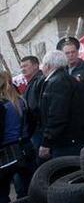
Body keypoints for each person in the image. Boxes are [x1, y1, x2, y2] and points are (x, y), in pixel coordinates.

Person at [38, 50, 84, 160]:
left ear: (48, 65)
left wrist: (47, 141)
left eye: (42, 64)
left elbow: (57, 115)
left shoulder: (57, 82)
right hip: (74, 138)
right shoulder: (65, 78)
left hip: (67, 142)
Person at [0, 71, 31, 202]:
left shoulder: (3, 105)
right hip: (23, 148)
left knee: (2, 194)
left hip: (5, 153)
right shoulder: (20, 101)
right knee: (25, 190)